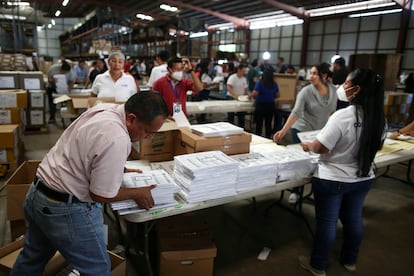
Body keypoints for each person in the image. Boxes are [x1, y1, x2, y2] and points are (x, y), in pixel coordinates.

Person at [11, 91, 169, 275]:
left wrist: (116, 168)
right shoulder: (117, 138)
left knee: (33, 257)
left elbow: (85, 150)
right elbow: (100, 195)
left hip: (39, 194)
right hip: (65, 209)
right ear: (131, 118)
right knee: (97, 269)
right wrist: (137, 193)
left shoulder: (104, 109)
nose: (149, 138)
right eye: (148, 132)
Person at [299, 69, 386, 276]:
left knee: (327, 223)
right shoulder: (379, 119)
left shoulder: (343, 116)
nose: (342, 87)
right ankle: (350, 261)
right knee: (354, 219)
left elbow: (322, 147)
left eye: (346, 84)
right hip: (363, 177)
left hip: (334, 178)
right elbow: (379, 146)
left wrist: (309, 145)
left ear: (357, 89)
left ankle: (318, 265)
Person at [273, 62, 337, 203]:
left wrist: (331, 130)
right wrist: (283, 131)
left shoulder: (333, 91)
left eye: (315, 73)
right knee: (302, 162)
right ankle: (295, 191)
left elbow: (332, 113)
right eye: (311, 73)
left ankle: (316, 190)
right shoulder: (306, 91)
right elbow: (296, 112)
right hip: (302, 130)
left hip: (319, 132)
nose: (311, 76)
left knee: (319, 161)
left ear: (324, 76)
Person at [249, 70, 280, 138]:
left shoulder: (260, 83)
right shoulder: (274, 84)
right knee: (268, 123)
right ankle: (268, 137)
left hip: (261, 105)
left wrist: (249, 96)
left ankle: (258, 137)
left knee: (259, 124)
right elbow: (278, 95)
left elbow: (255, 93)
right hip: (270, 105)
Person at [226, 63, 248, 128]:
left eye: (244, 72)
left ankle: (241, 128)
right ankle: (230, 127)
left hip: (240, 98)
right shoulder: (232, 77)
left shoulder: (244, 79)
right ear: (239, 70)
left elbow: (245, 89)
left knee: (241, 115)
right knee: (231, 115)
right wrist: (235, 95)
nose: (243, 73)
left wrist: (246, 96)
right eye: (243, 71)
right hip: (231, 97)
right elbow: (229, 87)